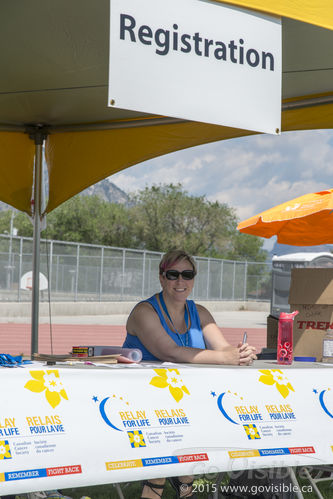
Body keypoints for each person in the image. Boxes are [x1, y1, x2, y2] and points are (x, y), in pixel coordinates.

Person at [123, 249, 257, 498]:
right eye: (173, 274)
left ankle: (184, 488)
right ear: (161, 277)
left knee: (192, 421)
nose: (180, 281)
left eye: (187, 274)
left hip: (184, 401)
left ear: (194, 278)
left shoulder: (201, 313)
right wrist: (226, 358)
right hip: (143, 402)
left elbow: (225, 348)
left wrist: (240, 352)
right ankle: (167, 487)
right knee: (175, 429)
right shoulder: (144, 312)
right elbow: (170, 352)